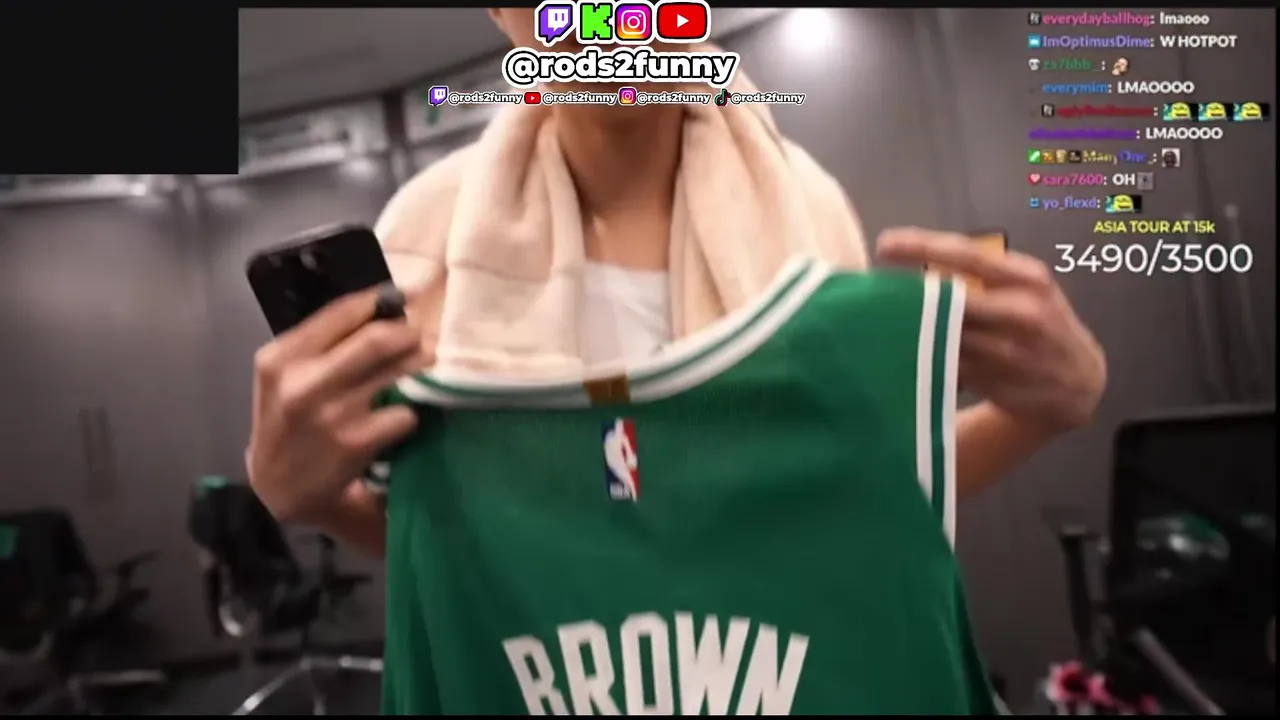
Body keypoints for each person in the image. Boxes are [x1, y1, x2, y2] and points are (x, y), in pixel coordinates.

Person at [247, 6, 1107, 711]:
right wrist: (310, 495)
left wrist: (1040, 412)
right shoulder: (421, 252)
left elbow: (843, 503)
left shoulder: (804, 214)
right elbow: (458, 549)